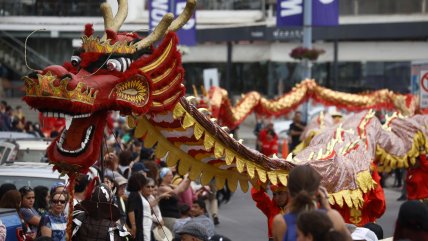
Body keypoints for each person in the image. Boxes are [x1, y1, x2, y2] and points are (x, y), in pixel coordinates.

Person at [271, 165, 351, 241]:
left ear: (289, 191)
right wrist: (328, 208)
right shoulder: (332, 217)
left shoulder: (280, 221)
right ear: (317, 192)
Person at [158, 167, 191, 232]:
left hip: (175, 218)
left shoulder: (170, 186)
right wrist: (185, 178)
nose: (172, 176)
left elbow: (184, 188)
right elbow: (176, 191)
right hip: (168, 218)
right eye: (170, 175)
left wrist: (190, 178)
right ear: (163, 177)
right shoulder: (162, 188)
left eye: (172, 174)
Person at [126, 172, 146, 241]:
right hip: (136, 228)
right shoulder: (134, 195)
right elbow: (130, 210)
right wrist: (133, 225)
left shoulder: (135, 194)